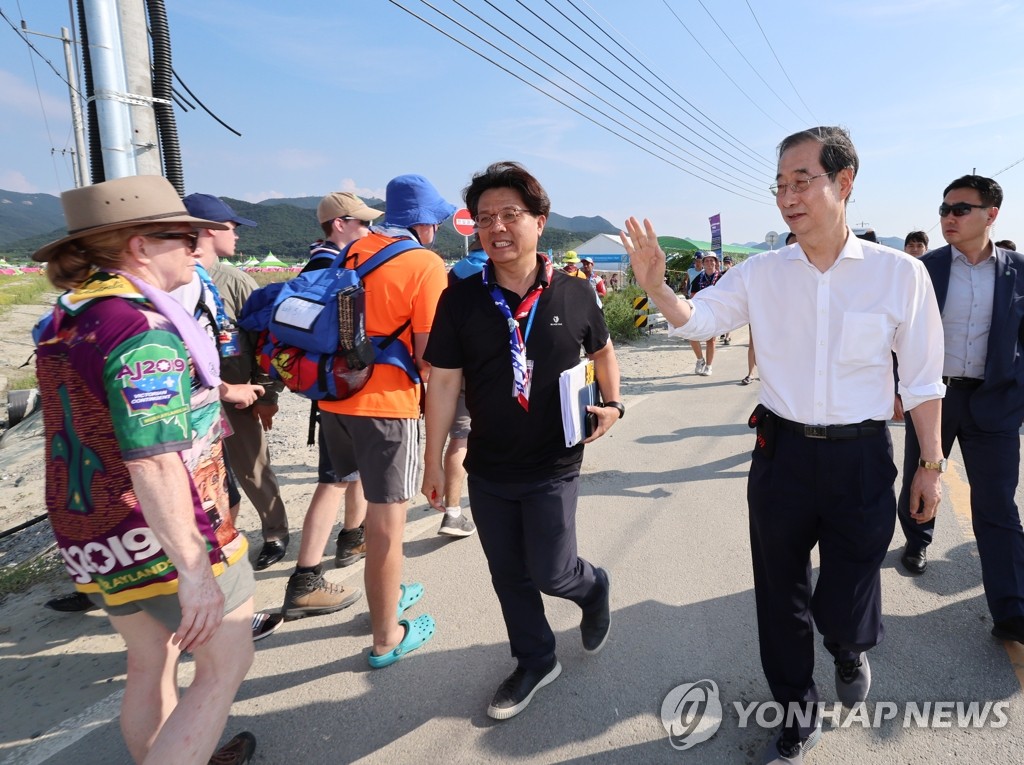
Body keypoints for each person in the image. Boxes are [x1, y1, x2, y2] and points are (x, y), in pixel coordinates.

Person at [624, 126, 945, 765]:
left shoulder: (899, 276)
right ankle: (797, 711)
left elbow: (924, 380)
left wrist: (931, 466)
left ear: (843, 183)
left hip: (860, 457)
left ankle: (848, 646)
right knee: (779, 592)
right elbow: (705, 318)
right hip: (782, 455)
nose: (788, 196)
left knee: (848, 586)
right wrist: (659, 288)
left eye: (802, 181)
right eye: (780, 185)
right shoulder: (761, 273)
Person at [32, 175, 265, 765]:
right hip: (159, 528)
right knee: (225, 661)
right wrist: (194, 569)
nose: (197, 246)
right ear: (140, 246)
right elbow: (155, 458)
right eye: (184, 236)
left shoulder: (68, 314)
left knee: (150, 658)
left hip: (88, 525)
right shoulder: (141, 332)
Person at [422, 161, 620, 721]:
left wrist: (615, 402)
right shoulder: (460, 299)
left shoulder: (577, 293)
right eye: (486, 217)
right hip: (487, 466)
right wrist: (436, 461)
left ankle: (592, 587)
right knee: (508, 574)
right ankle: (535, 658)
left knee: (553, 571)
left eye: (511, 214)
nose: (497, 227)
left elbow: (603, 351)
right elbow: (443, 384)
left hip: (555, 462)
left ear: (539, 221)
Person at [318, 176, 451, 667]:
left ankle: (385, 592)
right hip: (386, 407)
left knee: (370, 514)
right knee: (388, 523)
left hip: (333, 400)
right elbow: (428, 357)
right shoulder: (423, 263)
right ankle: (385, 637)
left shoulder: (350, 251)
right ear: (423, 222)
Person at [896, 176, 1024, 645]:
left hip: (996, 402)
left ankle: (1012, 610)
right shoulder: (924, 269)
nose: (948, 217)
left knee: (997, 505)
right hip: (936, 397)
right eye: (945, 208)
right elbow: (899, 334)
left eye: (961, 209)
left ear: (991, 215)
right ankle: (917, 539)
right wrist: (897, 387)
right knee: (919, 476)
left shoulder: (1019, 270)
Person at [277, 192, 386, 619]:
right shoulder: (331, 267)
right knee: (335, 479)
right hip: (343, 388)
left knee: (347, 474)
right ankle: (306, 579)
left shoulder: (320, 263)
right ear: (339, 224)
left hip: (333, 389)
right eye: (360, 222)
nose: (368, 229)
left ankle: (351, 538)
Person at [181, 194, 291, 573]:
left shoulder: (236, 281)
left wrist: (266, 392)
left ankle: (275, 532)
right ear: (208, 229)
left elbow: (266, 339)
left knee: (252, 466)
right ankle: (218, 540)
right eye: (232, 227)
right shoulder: (175, 280)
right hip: (190, 400)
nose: (238, 235)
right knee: (203, 475)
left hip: (237, 391)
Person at [687, 252, 720, 376]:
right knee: (692, 335)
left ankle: (709, 366)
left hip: (715, 312)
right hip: (700, 310)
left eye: (712, 260)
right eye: (706, 261)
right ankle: (700, 360)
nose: (709, 263)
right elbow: (692, 295)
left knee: (710, 340)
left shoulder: (721, 277)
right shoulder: (698, 278)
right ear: (703, 263)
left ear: (716, 262)